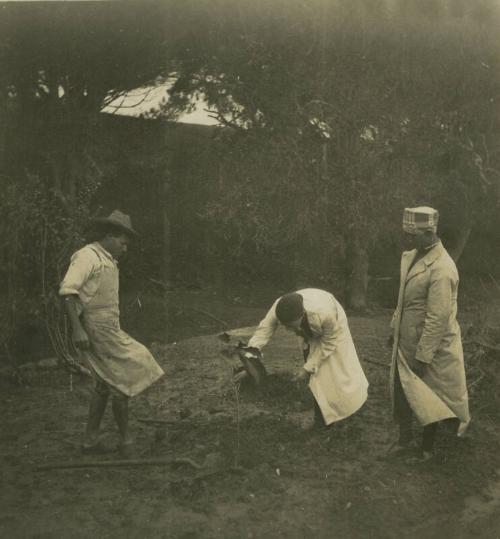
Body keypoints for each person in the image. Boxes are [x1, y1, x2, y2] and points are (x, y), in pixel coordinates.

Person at [59, 210, 164, 454]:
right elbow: (67, 292)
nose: (125, 249)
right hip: (96, 328)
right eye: (122, 243)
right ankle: (127, 441)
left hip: (109, 326)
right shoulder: (87, 256)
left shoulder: (106, 260)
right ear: (109, 235)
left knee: (104, 384)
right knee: (124, 376)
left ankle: (90, 440)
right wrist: (77, 330)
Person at [388, 206, 470, 461]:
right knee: (402, 389)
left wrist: (424, 355)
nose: (408, 240)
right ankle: (404, 439)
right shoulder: (412, 255)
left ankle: (427, 450)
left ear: (429, 232)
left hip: (431, 345)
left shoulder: (443, 268)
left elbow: (438, 317)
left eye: (412, 235)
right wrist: (394, 329)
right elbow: (404, 300)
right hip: (406, 339)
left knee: (428, 396)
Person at [245, 288, 368, 429]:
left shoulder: (325, 314)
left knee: (334, 369)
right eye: (285, 326)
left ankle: (348, 405)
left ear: (302, 315)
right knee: (314, 369)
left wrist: (307, 368)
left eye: (291, 326)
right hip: (311, 323)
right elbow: (263, 332)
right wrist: (250, 358)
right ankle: (322, 418)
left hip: (333, 326)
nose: (288, 330)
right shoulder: (277, 308)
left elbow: (328, 343)